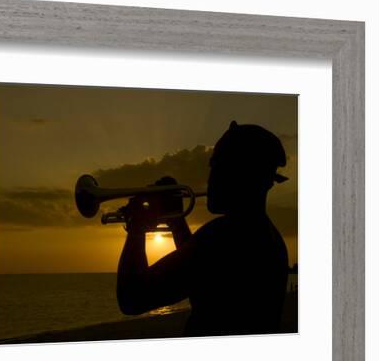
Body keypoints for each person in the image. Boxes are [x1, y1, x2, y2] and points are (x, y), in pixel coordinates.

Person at [116, 121, 289, 336]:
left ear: (240, 174)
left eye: (217, 166)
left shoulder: (223, 235)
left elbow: (132, 299)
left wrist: (136, 228)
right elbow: (200, 275)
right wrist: (177, 221)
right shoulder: (269, 236)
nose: (210, 179)